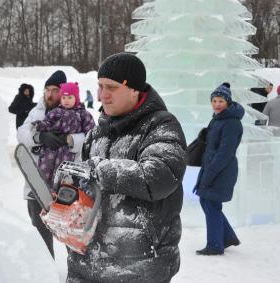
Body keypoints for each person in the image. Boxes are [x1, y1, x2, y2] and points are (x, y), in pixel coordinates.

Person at [63, 53, 187, 282]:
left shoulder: (161, 126)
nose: (102, 95)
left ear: (134, 90)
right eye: (100, 86)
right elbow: (87, 187)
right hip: (86, 263)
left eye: (111, 87)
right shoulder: (96, 133)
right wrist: (66, 205)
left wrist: (102, 171)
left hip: (139, 266)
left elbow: (158, 177)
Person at [17, 70, 87, 259]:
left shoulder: (78, 112)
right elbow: (22, 134)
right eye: (47, 89)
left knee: (71, 234)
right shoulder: (38, 110)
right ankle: (45, 274)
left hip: (67, 186)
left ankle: (77, 275)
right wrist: (40, 137)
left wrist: (69, 139)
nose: (49, 94)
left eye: (55, 90)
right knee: (40, 236)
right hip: (37, 185)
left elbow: (91, 137)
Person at [193, 83, 244, 256]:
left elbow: (225, 152)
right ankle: (227, 236)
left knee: (210, 203)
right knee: (207, 202)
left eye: (221, 101)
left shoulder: (231, 122)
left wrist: (209, 174)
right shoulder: (218, 118)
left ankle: (215, 245)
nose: (216, 104)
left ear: (228, 102)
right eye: (214, 101)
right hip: (213, 166)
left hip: (222, 169)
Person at [34, 82, 95, 187]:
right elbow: (48, 122)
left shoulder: (83, 114)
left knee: (63, 172)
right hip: (51, 149)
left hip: (68, 151)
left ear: (76, 98)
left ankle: (61, 189)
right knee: (45, 167)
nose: (66, 101)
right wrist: (40, 126)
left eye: (70, 97)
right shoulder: (56, 111)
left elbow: (91, 132)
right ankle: (42, 186)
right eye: (64, 97)